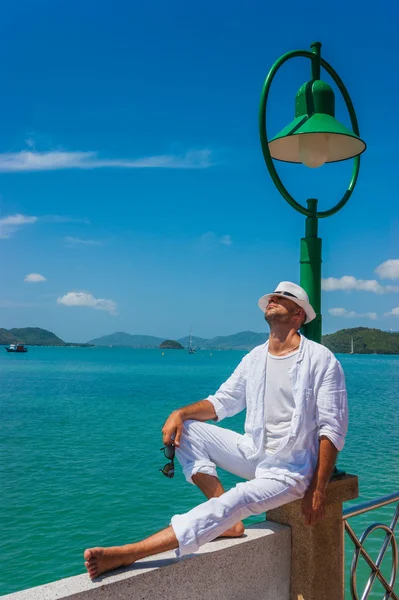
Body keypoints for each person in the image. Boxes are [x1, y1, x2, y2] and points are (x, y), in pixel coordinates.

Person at [84, 281, 348, 579]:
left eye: (282, 298)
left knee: (234, 500)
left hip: (291, 469)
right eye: (272, 296)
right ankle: (229, 523)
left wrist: (319, 487)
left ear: (299, 314)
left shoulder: (320, 359)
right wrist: (179, 413)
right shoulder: (255, 358)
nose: (272, 299)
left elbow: (332, 428)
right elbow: (222, 402)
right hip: (256, 452)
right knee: (188, 430)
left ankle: (132, 553)